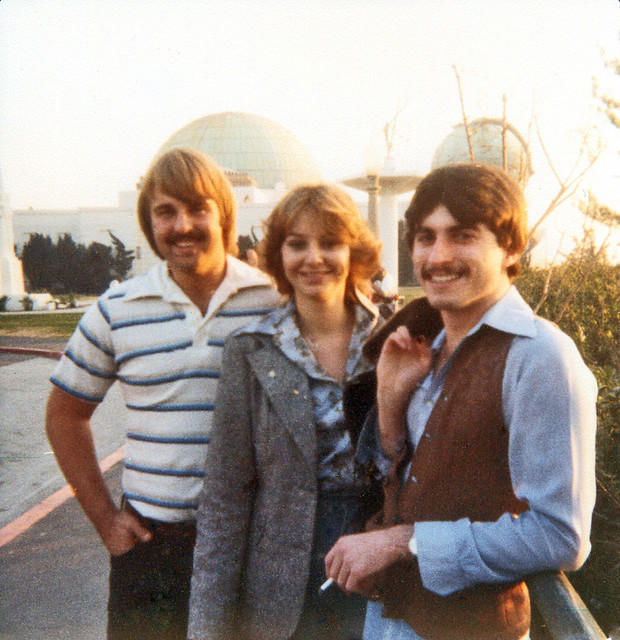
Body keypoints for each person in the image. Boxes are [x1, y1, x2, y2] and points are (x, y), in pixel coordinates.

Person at [324, 163, 597, 640]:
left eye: (462, 235)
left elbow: (560, 536)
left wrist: (401, 542)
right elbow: (411, 480)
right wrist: (389, 402)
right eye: (426, 237)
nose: (438, 256)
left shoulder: (540, 356)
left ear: (510, 247)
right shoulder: (421, 341)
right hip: (390, 617)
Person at [45, 148, 280, 640]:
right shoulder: (116, 308)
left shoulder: (272, 300)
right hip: (153, 548)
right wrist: (106, 520)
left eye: (198, 209)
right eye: (166, 211)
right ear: (149, 222)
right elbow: (65, 415)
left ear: (224, 215)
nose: (183, 225)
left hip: (250, 547)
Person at [187, 184, 384, 640]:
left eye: (330, 242)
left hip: (379, 566)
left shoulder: (392, 341)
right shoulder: (252, 349)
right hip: (282, 583)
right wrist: (207, 629)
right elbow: (225, 495)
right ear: (278, 255)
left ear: (354, 251)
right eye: (297, 244)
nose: (314, 257)